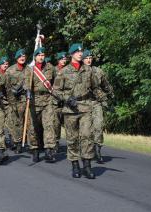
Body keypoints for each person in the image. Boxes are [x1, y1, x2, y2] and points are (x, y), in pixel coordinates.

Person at [52, 43, 99, 179]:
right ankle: (75, 166)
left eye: (81, 52)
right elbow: (55, 90)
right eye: (77, 52)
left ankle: (87, 166)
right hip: (70, 110)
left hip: (85, 107)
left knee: (87, 136)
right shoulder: (63, 71)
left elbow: (95, 87)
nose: (80, 54)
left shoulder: (88, 70)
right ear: (71, 54)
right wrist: (66, 99)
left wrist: (105, 100)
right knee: (72, 139)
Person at [82, 49, 114, 163]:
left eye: (90, 58)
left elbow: (106, 85)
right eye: (86, 58)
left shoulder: (98, 71)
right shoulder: (78, 72)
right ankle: (86, 151)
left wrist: (110, 96)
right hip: (83, 103)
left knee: (99, 126)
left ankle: (98, 149)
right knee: (85, 130)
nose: (89, 60)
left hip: (96, 103)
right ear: (82, 59)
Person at [4, 49, 29, 154]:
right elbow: (6, 87)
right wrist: (11, 99)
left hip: (25, 100)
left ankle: (24, 142)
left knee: (26, 122)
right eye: (20, 57)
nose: (22, 58)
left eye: (23, 56)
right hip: (14, 101)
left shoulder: (29, 70)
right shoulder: (10, 71)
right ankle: (17, 142)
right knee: (16, 122)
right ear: (16, 58)